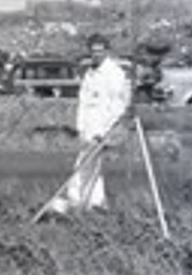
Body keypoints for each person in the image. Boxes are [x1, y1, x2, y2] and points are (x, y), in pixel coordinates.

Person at [45, 33, 132, 215]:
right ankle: (79, 203)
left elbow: (118, 105)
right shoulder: (90, 74)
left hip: (102, 130)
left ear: (106, 51)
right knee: (82, 166)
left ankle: (94, 205)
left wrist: (105, 132)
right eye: (93, 52)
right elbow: (83, 103)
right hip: (88, 129)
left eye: (100, 51)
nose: (96, 55)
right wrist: (81, 129)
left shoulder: (114, 74)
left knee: (93, 168)